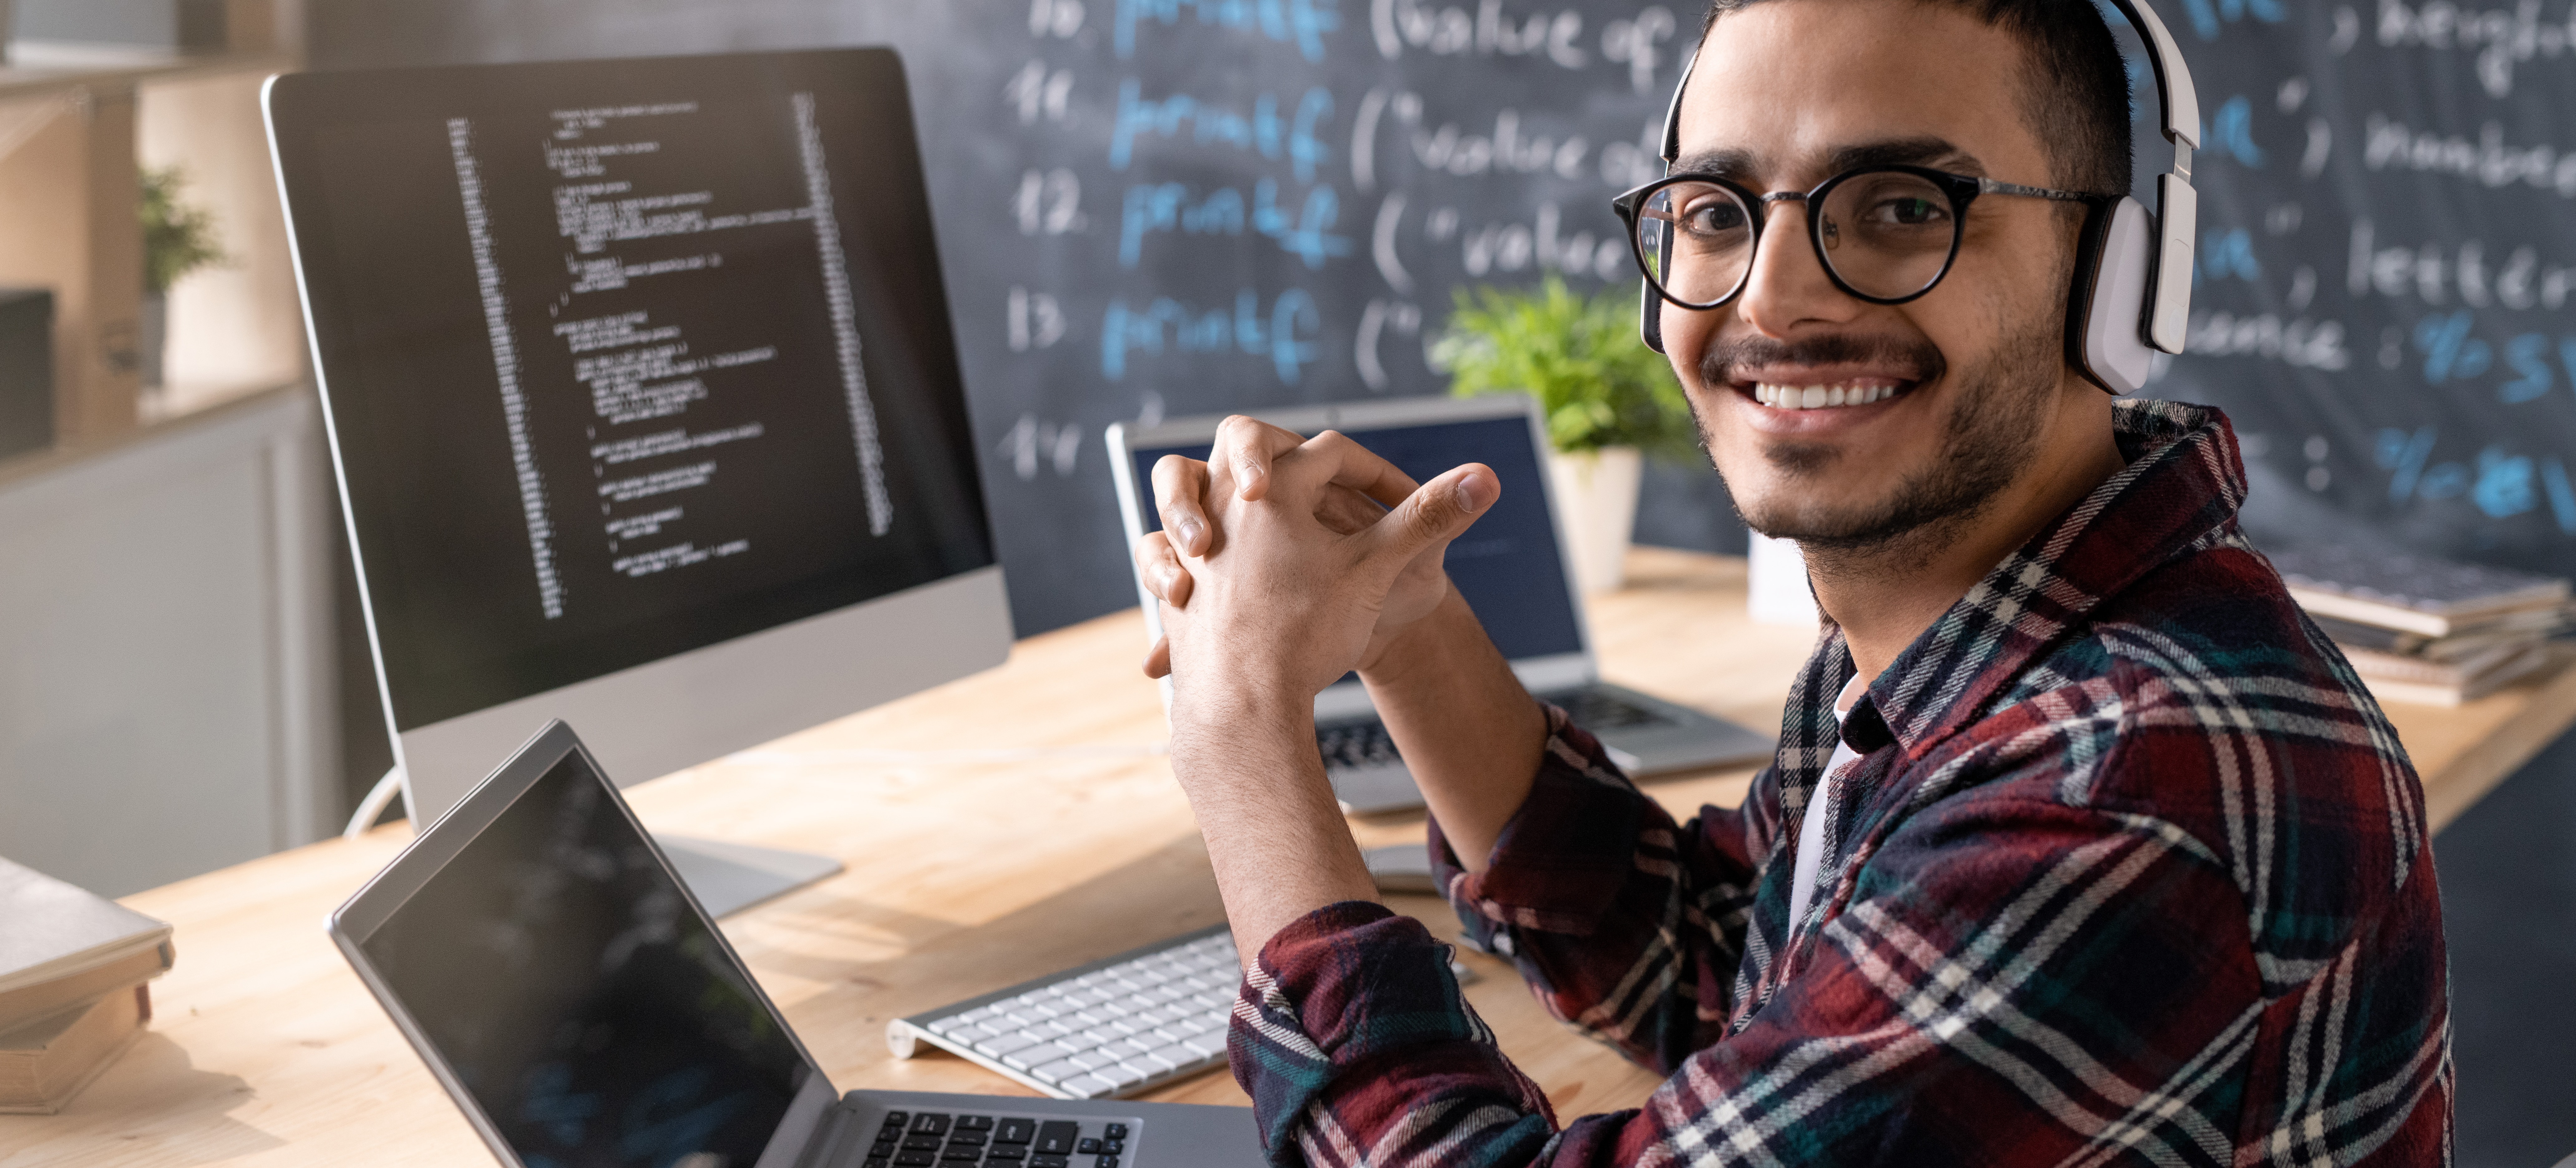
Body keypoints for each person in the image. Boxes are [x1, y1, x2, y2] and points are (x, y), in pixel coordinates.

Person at [1130, 0, 2454, 1163]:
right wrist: (1406, 624)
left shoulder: (2119, 787)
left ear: (2116, 278)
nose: (1772, 298)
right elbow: (1724, 978)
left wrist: (1242, 737)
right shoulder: (1964, 636)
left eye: (1898, 209)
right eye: (1717, 213)